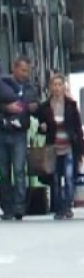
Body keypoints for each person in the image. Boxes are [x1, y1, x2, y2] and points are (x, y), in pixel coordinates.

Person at [0, 55, 39, 221]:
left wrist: (30, 107)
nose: (25, 74)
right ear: (13, 68)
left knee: (20, 171)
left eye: (28, 71)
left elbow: (32, 104)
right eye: (22, 70)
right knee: (4, 172)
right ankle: (7, 208)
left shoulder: (30, 88)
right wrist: (5, 107)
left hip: (19, 134)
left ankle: (19, 207)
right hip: (1, 132)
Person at [36, 74, 84, 220]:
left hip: (69, 147)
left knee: (69, 178)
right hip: (53, 148)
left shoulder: (71, 105)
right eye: (54, 85)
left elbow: (77, 128)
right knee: (55, 179)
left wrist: (81, 150)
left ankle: (67, 206)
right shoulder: (44, 107)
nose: (57, 88)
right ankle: (58, 209)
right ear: (50, 88)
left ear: (64, 87)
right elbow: (40, 126)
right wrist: (42, 127)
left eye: (59, 85)